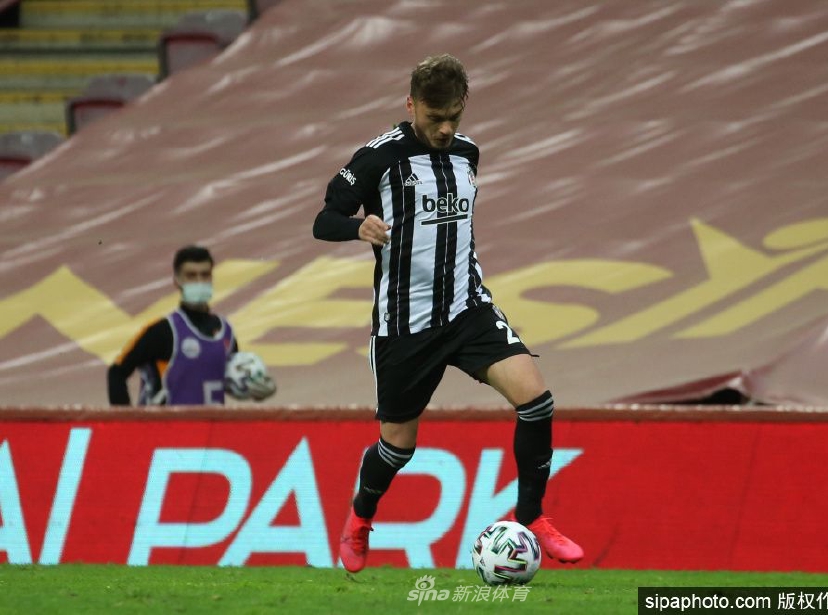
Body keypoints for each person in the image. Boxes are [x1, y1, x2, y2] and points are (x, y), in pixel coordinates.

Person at [312, 54, 584, 573]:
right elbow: (324, 219)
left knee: (537, 402)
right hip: (405, 325)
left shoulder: (467, 154)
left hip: (467, 307)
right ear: (410, 104)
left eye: (453, 117)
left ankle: (532, 517)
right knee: (397, 448)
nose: (444, 128)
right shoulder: (377, 159)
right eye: (434, 116)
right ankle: (361, 515)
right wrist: (357, 227)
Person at [107, 245, 275, 405]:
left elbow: (230, 381)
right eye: (191, 276)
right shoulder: (162, 331)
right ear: (177, 281)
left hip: (211, 425)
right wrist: (125, 421)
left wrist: (258, 391)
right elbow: (116, 373)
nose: (199, 281)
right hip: (167, 425)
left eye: (205, 275)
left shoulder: (226, 333)